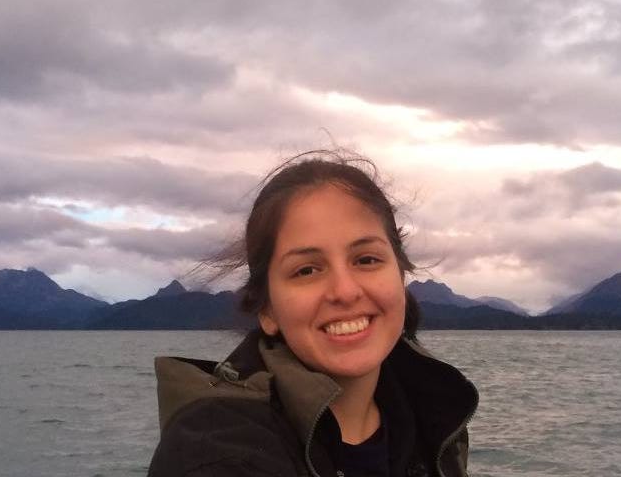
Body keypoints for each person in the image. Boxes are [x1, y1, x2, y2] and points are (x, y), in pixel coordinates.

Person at [147, 150, 478, 477]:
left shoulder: (434, 420)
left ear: (401, 275)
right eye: (306, 270)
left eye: (366, 260)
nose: (345, 291)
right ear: (267, 309)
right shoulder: (216, 456)